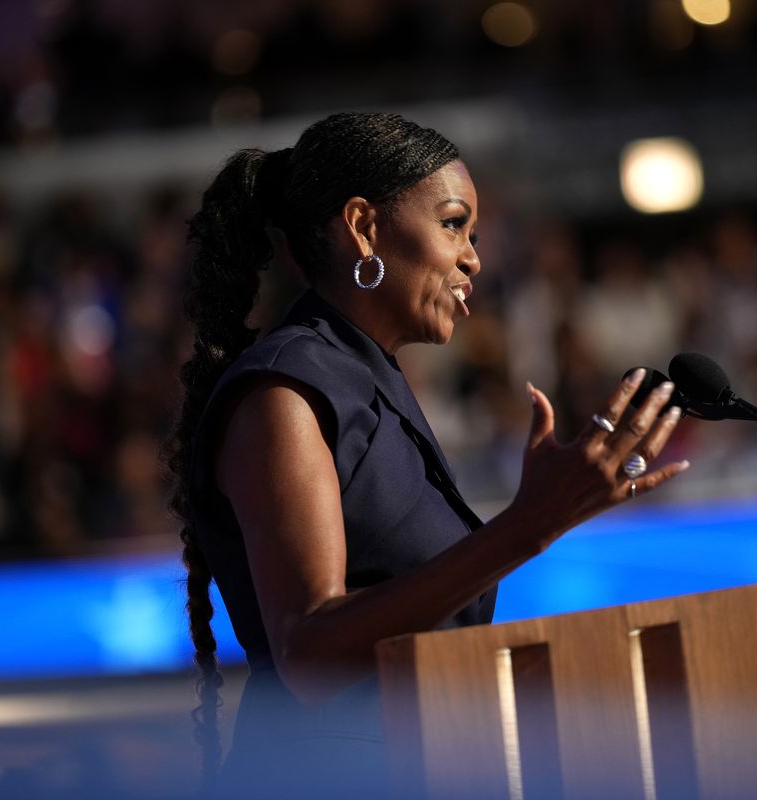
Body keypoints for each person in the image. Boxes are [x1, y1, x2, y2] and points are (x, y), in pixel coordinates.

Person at [165, 112, 689, 797]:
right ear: (364, 227)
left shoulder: (366, 379)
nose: (473, 258)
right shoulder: (284, 394)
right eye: (452, 225)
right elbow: (311, 651)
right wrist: (529, 526)